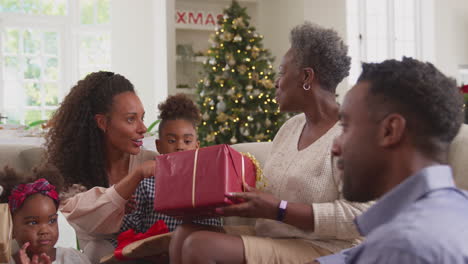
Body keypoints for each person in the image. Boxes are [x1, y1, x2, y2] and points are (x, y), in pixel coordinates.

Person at [169, 22, 372, 264]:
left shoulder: (347, 135)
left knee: (199, 246)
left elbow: (360, 215)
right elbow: (270, 194)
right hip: (275, 236)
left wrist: (280, 209)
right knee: (184, 234)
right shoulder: (290, 128)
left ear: (307, 77)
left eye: (281, 72)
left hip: (322, 246)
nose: (276, 82)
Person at [316, 57, 468, 263]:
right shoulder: (458, 210)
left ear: (390, 130)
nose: (335, 148)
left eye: (345, 127)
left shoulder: (401, 246)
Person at [44, 71, 156, 263]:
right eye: (131, 119)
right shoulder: (70, 172)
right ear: (102, 122)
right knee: (99, 249)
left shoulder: (151, 160)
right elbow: (92, 222)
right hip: (99, 257)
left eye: (142, 118)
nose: (143, 128)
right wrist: (135, 177)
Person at [117, 94, 222, 261]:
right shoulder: (146, 184)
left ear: (197, 146)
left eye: (187, 141)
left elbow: (215, 229)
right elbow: (128, 229)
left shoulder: (205, 186)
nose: (180, 146)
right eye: (172, 140)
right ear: (159, 146)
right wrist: (123, 209)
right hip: (152, 256)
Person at [0, 166, 90, 264]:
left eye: (52, 221)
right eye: (33, 222)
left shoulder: (73, 258)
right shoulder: (6, 261)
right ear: (11, 228)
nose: (44, 230)